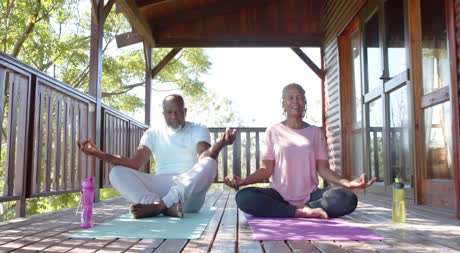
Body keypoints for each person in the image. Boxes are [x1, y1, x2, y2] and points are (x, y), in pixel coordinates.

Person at [224, 83, 376, 219]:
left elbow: (323, 170)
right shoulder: (273, 131)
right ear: (283, 103)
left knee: (347, 198)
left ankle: (301, 209)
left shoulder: (316, 132)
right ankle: (298, 212)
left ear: (305, 103)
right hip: (279, 195)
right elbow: (265, 170)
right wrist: (244, 181)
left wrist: (347, 183)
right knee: (244, 197)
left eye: (299, 98)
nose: (295, 101)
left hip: (310, 196)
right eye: (290, 98)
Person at [79, 94, 237, 218]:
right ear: (163, 114)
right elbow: (135, 163)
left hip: (188, 194)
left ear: (185, 111)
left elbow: (203, 158)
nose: (174, 116)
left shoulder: (198, 129)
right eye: (169, 112)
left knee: (210, 163)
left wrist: (220, 144)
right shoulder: (152, 133)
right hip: (160, 187)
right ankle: (160, 206)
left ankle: (159, 207)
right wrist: (100, 154)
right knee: (116, 172)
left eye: (178, 111)